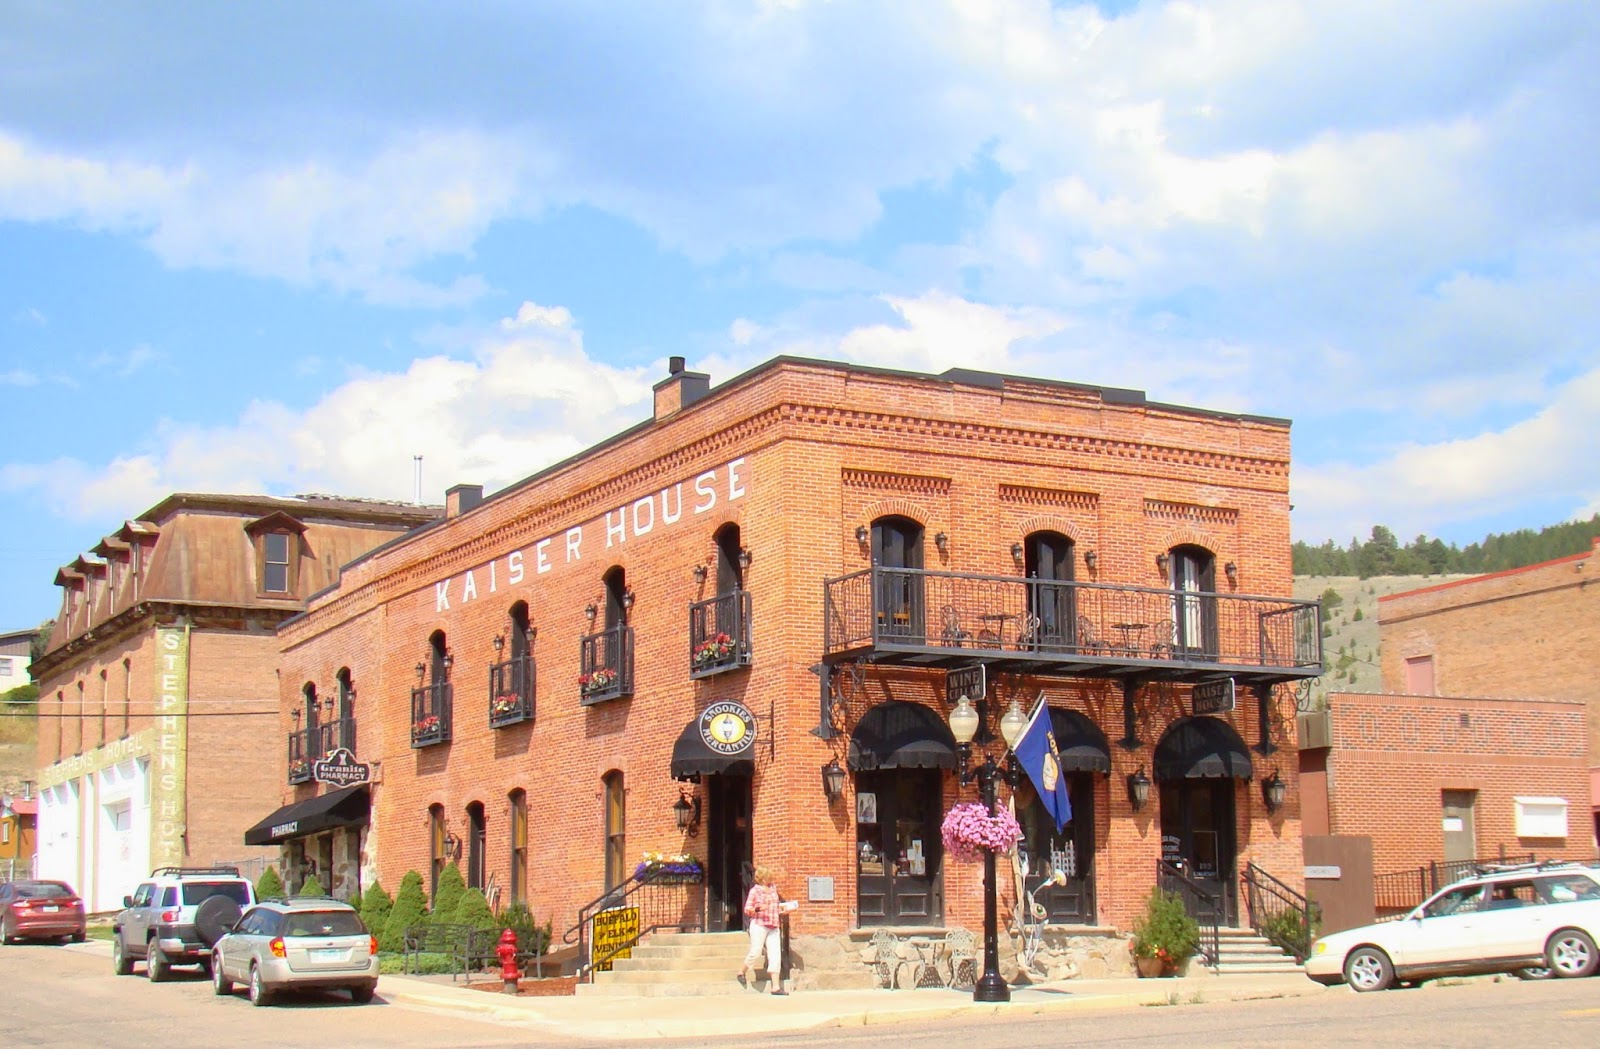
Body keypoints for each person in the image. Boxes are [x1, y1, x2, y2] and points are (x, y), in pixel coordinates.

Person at [737, 866, 792, 995]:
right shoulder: (755, 891)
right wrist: (757, 909)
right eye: (768, 876)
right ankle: (742, 971)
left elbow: (775, 907)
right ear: (762, 877)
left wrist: (783, 910)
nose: (771, 878)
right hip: (759, 924)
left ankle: (776, 986)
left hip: (773, 924)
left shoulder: (773, 889)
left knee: (775, 954)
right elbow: (747, 909)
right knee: (755, 951)